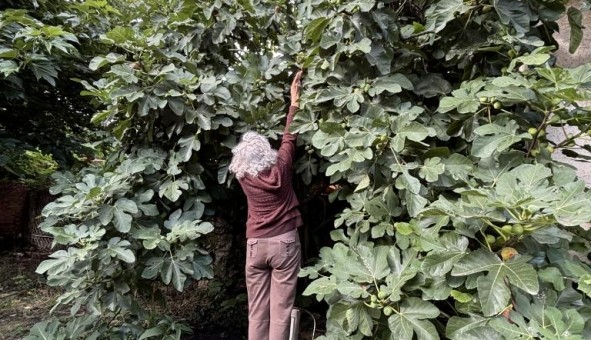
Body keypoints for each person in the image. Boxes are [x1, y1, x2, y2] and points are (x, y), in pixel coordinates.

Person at [229, 70, 304, 340]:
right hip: (284, 243)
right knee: (281, 311)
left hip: (255, 246)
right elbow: (289, 137)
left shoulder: (243, 177)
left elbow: (242, 162)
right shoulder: (282, 166)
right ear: (266, 152)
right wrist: (294, 102)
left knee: (257, 311)